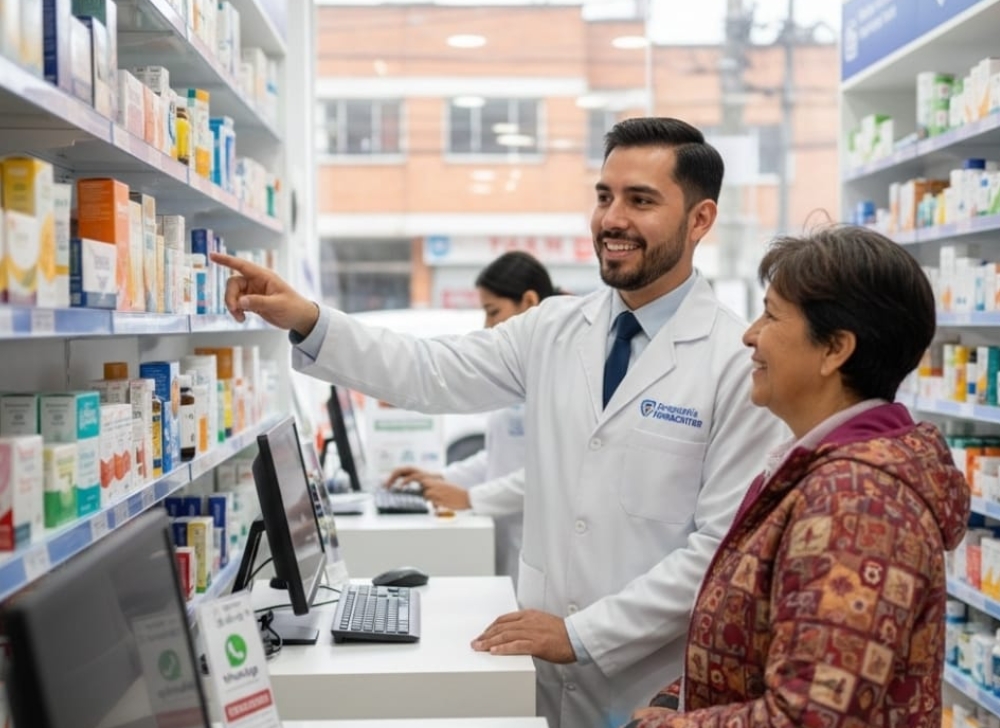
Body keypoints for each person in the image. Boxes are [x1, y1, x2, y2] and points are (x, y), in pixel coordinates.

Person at [210, 116, 788, 728]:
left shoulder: (736, 359)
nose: (612, 219)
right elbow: (430, 369)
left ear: (700, 220)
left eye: (640, 200)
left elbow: (717, 552)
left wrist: (582, 634)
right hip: (535, 668)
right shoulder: (556, 328)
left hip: (650, 677)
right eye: (603, 196)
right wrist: (308, 318)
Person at [625, 226, 971, 728]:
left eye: (771, 314)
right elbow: (771, 638)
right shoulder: (814, 469)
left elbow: (813, 715)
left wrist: (674, 725)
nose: (750, 334)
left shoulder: (857, 500)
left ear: (834, 350)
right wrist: (676, 698)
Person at [385, 250, 557, 579]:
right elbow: (499, 457)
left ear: (530, 302)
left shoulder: (559, 373)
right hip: (506, 532)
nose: (487, 325)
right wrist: (441, 478)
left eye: (493, 312)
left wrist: (469, 497)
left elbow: (552, 473)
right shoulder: (522, 372)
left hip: (538, 543)